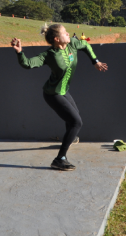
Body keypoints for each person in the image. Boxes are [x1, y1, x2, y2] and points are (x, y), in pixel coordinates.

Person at [11, 24, 108, 171]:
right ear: (57, 39)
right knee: (76, 122)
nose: (69, 34)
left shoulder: (73, 44)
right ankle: (59, 159)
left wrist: (95, 61)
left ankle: (69, 139)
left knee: (73, 121)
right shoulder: (49, 55)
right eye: (65, 33)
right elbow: (28, 64)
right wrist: (20, 52)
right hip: (52, 94)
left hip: (64, 91)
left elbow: (86, 45)